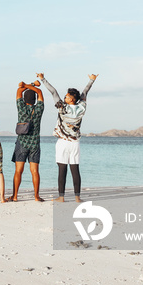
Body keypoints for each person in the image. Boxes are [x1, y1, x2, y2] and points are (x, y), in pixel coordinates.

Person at [38, 73, 98, 202]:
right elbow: (85, 92)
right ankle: (77, 197)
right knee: (75, 169)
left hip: (63, 142)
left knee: (62, 170)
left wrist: (43, 79)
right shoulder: (81, 107)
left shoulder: (63, 108)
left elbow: (53, 92)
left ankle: (61, 197)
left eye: (66, 97)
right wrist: (91, 80)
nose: (64, 98)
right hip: (75, 143)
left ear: (71, 99)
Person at [11, 80, 45, 202]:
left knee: (18, 171)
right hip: (35, 143)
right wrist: (34, 85)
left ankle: (14, 196)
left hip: (22, 143)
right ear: (35, 100)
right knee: (35, 171)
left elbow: (18, 90)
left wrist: (25, 85)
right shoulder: (39, 109)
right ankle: (36, 196)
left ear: (24, 99)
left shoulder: (21, 108)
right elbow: (40, 92)